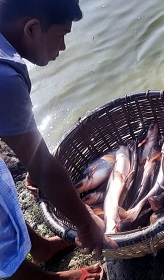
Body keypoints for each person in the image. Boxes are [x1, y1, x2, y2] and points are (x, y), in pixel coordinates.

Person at [0, 0, 116, 279]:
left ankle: (39, 248)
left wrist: (31, 159)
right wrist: (86, 223)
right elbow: (46, 170)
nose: (62, 47)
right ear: (32, 29)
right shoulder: (4, 77)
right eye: (62, 35)